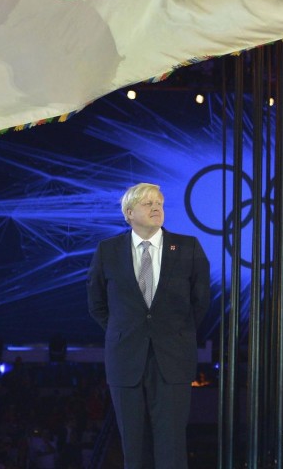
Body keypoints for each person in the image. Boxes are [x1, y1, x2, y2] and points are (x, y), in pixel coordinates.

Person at [87, 183, 210, 469]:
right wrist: (126, 331)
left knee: (172, 445)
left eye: (159, 203)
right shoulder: (108, 251)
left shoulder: (188, 247)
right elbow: (97, 304)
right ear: (129, 213)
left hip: (173, 359)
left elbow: (200, 302)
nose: (156, 208)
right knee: (133, 445)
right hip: (125, 359)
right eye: (147, 203)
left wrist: (174, 333)